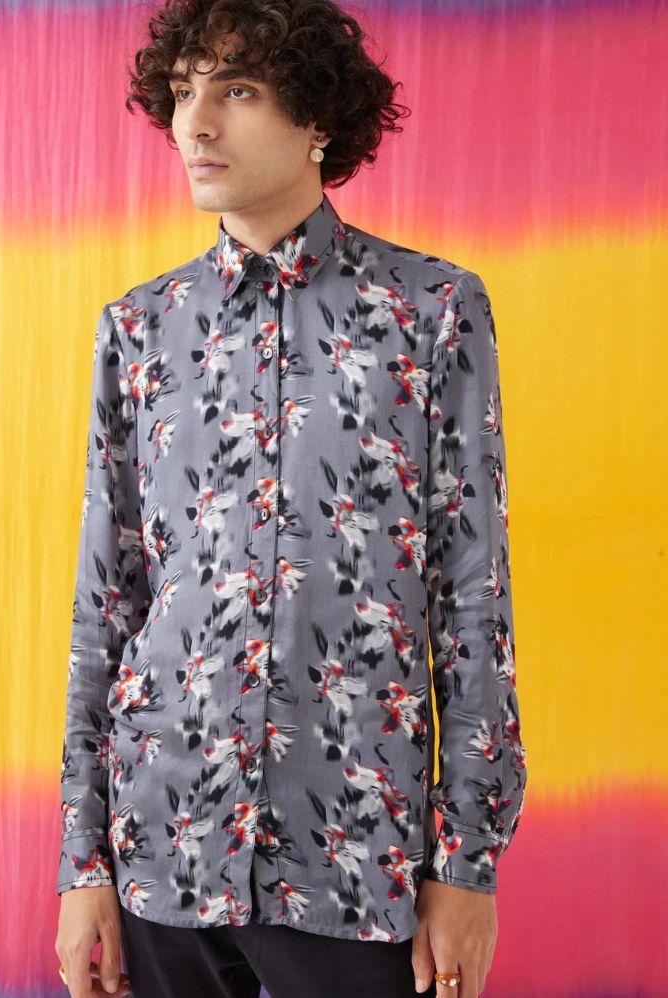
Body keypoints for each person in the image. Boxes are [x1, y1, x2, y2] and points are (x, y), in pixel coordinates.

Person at [54, 1, 528, 996]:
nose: (195, 124)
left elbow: (472, 600)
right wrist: (83, 864)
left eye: (236, 90)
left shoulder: (432, 311)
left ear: (315, 117)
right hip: (161, 843)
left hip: (355, 855)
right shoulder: (138, 328)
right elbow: (108, 605)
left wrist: (467, 862)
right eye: (182, 92)